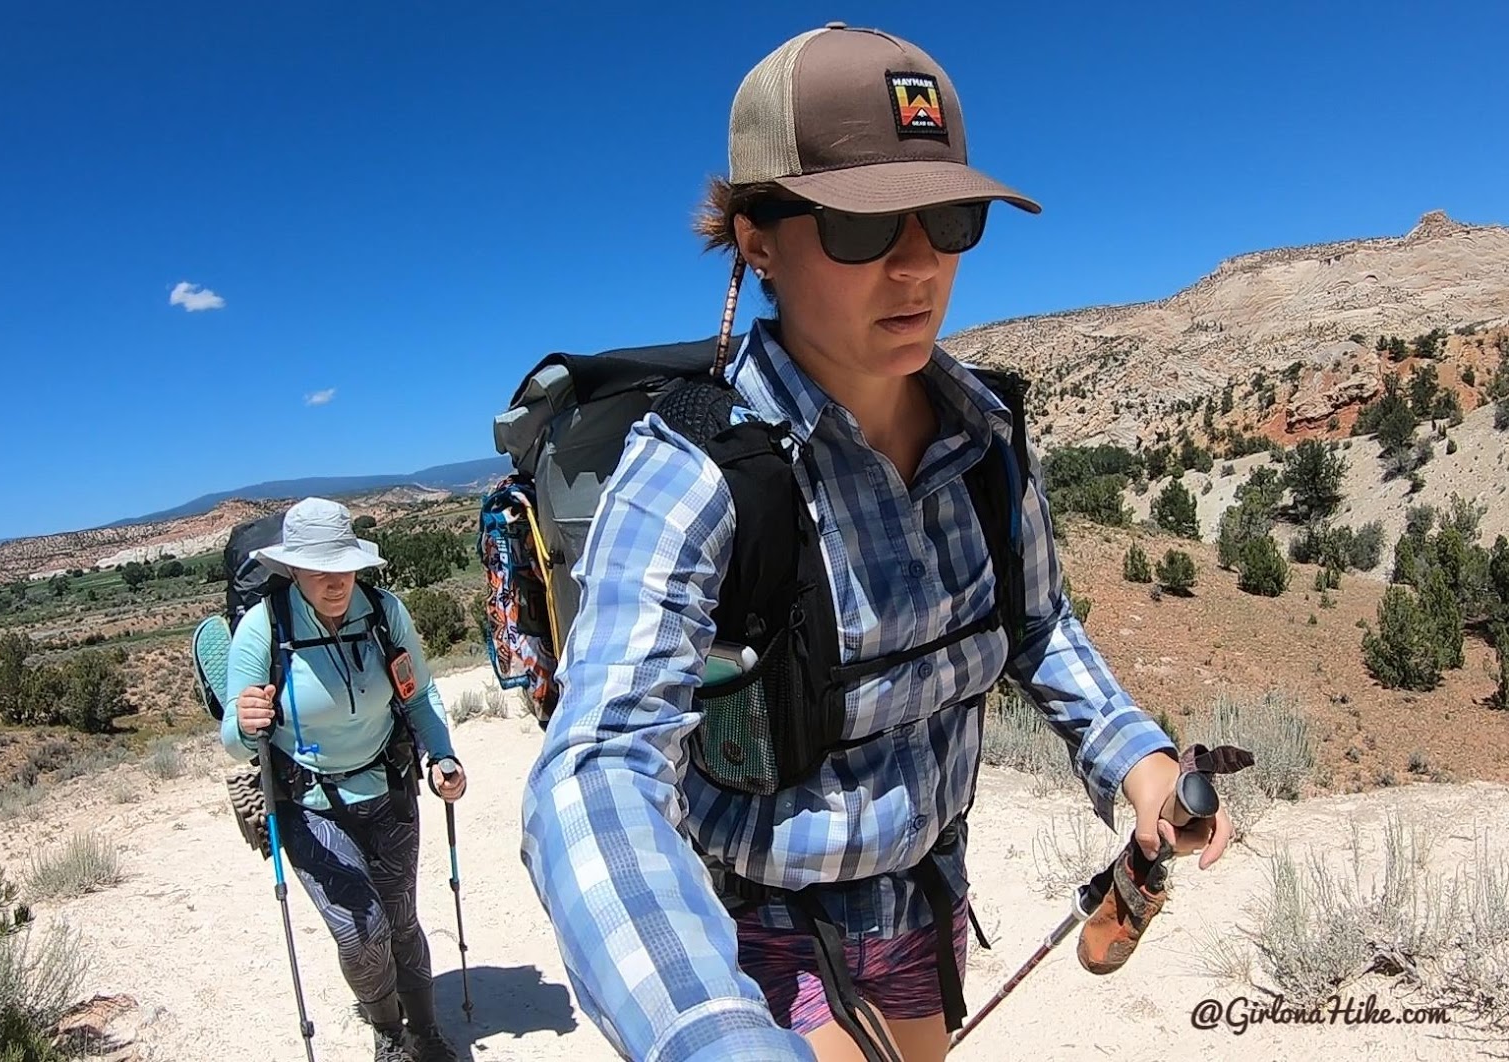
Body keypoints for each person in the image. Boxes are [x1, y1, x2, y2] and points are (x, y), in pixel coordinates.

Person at [519, 22, 1235, 1062]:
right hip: (766, 937)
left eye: (946, 217)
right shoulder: (692, 477)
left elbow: (1036, 628)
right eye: (862, 228)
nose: (917, 265)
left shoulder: (985, 437)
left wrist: (1140, 765)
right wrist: (709, 1033)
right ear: (755, 239)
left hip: (928, 905)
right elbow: (595, 769)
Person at [221, 496, 468, 1062]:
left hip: (388, 789)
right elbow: (235, 743)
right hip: (308, 802)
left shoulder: (384, 613)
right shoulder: (264, 628)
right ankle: (389, 1037)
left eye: (343, 566)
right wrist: (246, 720)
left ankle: (426, 1032)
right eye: (318, 569)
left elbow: (420, 694)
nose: (335, 581)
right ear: (292, 569)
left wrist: (443, 757)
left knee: (401, 920)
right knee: (361, 931)